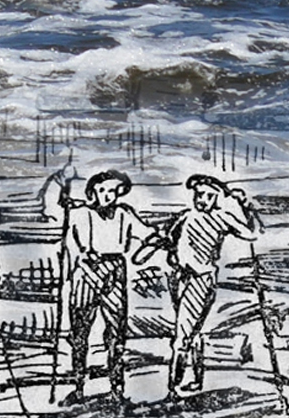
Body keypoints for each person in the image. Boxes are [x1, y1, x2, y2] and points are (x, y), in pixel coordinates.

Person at [43, 166, 149, 404]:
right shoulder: (80, 213)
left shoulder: (124, 213)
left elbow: (147, 232)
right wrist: (61, 180)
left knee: (116, 333)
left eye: (113, 191)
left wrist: (161, 240)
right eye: (103, 190)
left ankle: (116, 388)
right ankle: (79, 387)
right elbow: (51, 206)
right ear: (94, 192)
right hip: (86, 272)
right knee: (79, 333)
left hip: (114, 271)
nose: (108, 195)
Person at [164, 173, 262, 398]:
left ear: (216, 198)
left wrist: (246, 209)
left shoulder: (221, 218)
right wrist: (172, 253)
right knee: (193, 334)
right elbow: (169, 237)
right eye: (199, 195)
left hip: (201, 279)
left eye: (208, 196)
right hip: (180, 277)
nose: (202, 200)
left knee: (183, 336)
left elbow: (250, 234)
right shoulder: (186, 216)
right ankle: (195, 382)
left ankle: (174, 388)